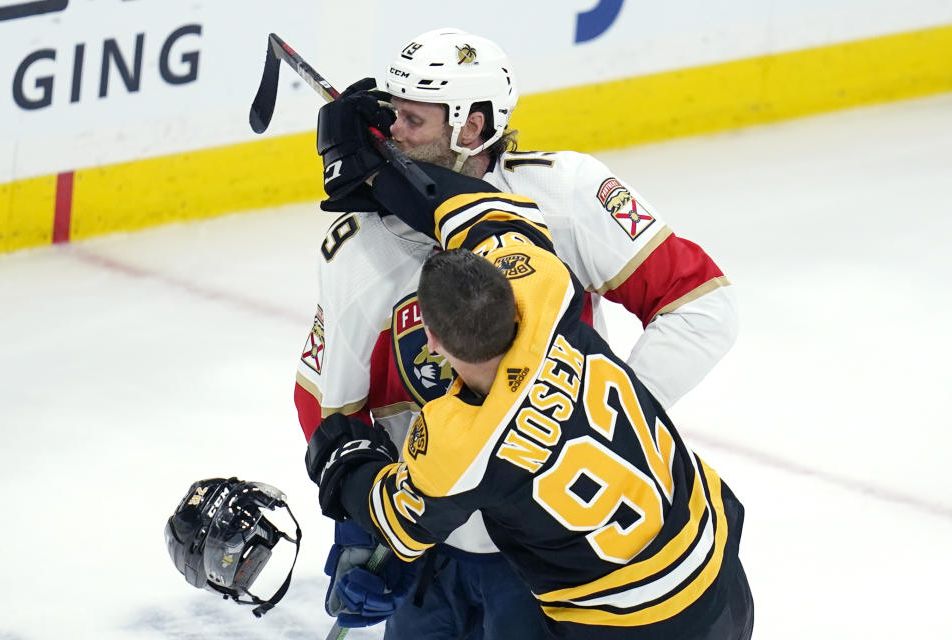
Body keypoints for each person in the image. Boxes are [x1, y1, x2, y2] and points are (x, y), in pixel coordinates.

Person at [296, 27, 738, 639]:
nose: (390, 133)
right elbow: (326, 402)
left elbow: (701, 308)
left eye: (411, 119)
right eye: (388, 114)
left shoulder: (567, 192)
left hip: (548, 563)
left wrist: (604, 422)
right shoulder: (356, 250)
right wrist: (364, 535)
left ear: (470, 128)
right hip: (428, 544)